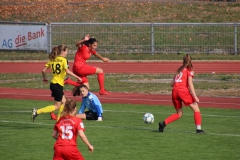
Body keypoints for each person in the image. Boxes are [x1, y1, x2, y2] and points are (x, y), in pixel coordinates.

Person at [31, 45, 82, 122]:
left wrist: (44, 78)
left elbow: (43, 70)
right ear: (62, 52)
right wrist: (77, 77)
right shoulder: (64, 60)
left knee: (64, 102)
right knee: (57, 106)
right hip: (58, 85)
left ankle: (60, 120)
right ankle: (38, 111)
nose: (67, 53)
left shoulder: (52, 59)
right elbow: (67, 71)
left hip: (53, 84)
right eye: (66, 51)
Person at [158, 54, 205, 134]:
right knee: (196, 109)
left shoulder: (179, 70)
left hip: (174, 92)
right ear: (191, 61)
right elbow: (190, 84)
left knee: (179, 113)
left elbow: (171, 84)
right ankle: (198, 129)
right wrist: (195, 96)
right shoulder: (189, 69)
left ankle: (163, 123)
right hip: (183, 91)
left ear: (183, 61)